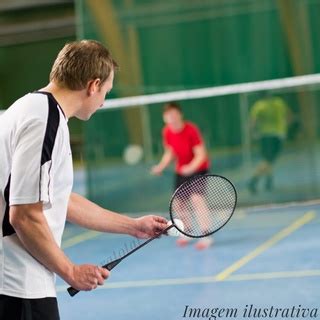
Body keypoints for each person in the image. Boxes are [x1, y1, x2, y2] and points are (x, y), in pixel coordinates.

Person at [0, 40, 168, 320]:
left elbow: (59, 201)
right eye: (106, 92)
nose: (103, 101)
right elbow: (25, 215)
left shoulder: (30, 108)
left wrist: (134, 226)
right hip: (19, 285)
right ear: (93, 85)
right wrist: (71, 271)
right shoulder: (45, 120)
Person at [151, 102, 213, 250]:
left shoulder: (191, 129)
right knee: (179, 203)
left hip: (199, 169)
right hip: (181, 170)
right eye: (167, 115)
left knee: (197, 199)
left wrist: (191, 167)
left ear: (180, 114)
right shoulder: (167, 131)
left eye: (173, 114)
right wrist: (161, 166)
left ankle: (206, 235)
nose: (171, 117)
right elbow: (170, 152)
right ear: (164, 118)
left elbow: (201, 154)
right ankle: (187, 232)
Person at [248, 93, 291, 193]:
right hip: (276, 135)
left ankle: (269, 181)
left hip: (265, 136)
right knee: (268, 160)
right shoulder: (279, 102)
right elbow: (289, 116)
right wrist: (284, 127)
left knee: (269, 160)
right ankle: (254, 180)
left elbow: (252, 122)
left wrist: (252, 133)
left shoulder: (259, 105)